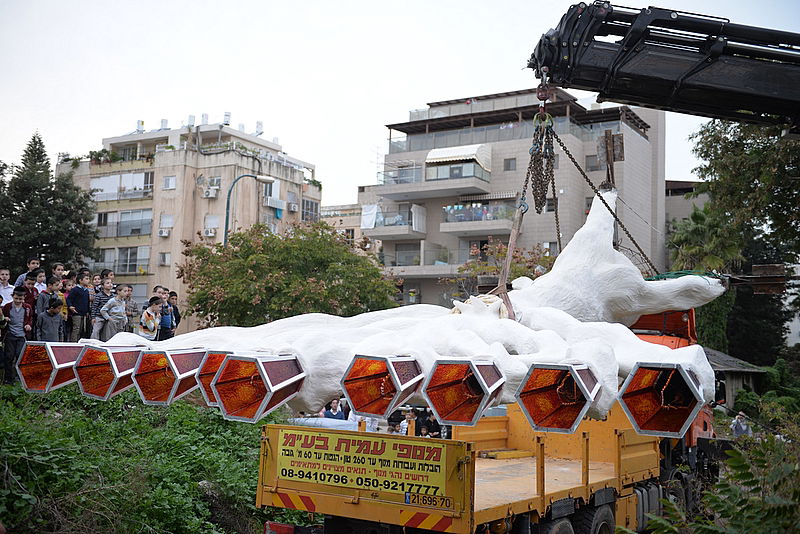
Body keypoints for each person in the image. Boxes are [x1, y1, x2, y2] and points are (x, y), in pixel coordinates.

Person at [1, 287, 34, 384]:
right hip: (10, 335)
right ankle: (8, 379)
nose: (18, 301)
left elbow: (30, 319)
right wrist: (5, 318)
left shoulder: (27, 307)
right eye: (16, 298)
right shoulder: (7, 307)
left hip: (22, 335)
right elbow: (2, 318)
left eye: (20, 299)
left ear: (24, 297)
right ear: (12, 297)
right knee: (9, 357)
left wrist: (29, 325)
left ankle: (19, 378)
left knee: (20, 356)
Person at [67, 272, 91, 342]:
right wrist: (70, 306)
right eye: (86, 279)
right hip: (76, 312)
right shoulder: (75, 289)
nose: (88, 280)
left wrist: (87, 311)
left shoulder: (86, 290)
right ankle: (73, 343)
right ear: (80, 280)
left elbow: (87, 301)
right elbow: (69, 299)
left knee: (82, 329)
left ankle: (79, 342)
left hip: (84, 313)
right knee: (76, 328)